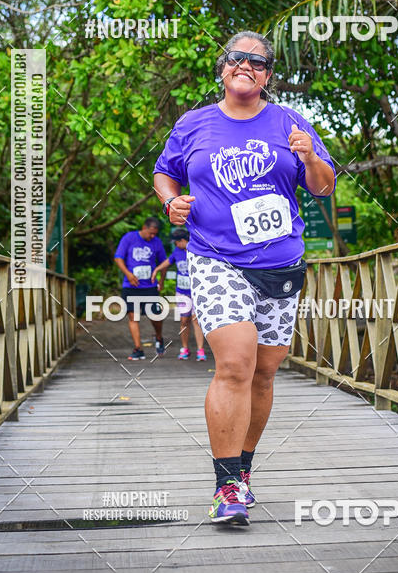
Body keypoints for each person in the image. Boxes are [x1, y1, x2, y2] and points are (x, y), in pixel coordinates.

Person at [153, 30, 336, 525]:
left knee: (265, 371)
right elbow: (164, 172)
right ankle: (226, 487)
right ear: (223, 67)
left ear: (268, 75)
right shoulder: (194, 125)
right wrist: (172, 201)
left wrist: (311, 157)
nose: (246, 66)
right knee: (235, 363)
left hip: (279, 265)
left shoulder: (291, 123)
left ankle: (244, 471)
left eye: (258, 62)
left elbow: (322, 188)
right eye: (237, 58)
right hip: (216, 259)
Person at [114, 217, 167, 360]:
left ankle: (159, 337)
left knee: (155, 315)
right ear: (144, 227)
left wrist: (161, 281)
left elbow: (164, 263)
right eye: (150, 233)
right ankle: (138, 348)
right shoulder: (129, 238)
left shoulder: (157, 242)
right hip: (131, 285)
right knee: (132, 315)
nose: (152, 236)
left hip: (149, 286)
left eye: (155, 234)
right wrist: (128, 274)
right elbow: (118, 257)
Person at [151, 227, 207, 361]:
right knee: (184, 320)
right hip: (182, 292)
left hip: (196, 291)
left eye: (176, 242)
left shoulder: (196, 249)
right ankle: (185, 348)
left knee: (196, 320)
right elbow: (168, 262)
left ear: (182, 240)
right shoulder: (177, 251)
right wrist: (157, 269)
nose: (175, 245)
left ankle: (200, 349)